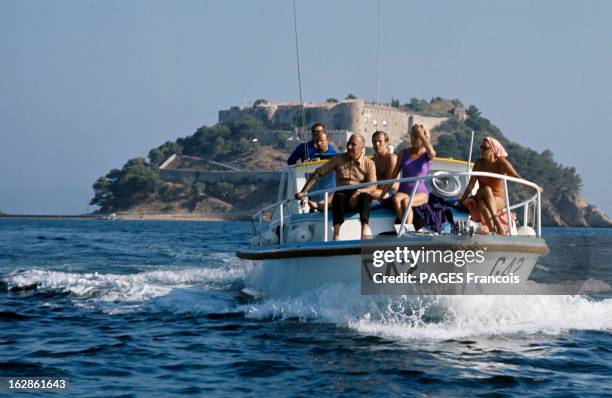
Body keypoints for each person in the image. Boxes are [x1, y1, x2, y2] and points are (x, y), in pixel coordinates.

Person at [295, 134, 376, 240]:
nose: (349, 147)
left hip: (359, 196)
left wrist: (360, 191)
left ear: (361, 147)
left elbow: (373, 186)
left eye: (353, 144)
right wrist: (303, 192)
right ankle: (336, 234)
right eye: (348, 143)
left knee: (366, 196)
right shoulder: (338, 159)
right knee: (338, 196)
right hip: (343, 195)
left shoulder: (369, 164)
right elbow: (318, 173)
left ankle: (364, 233)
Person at [459, 137, 521, 235]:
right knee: (486, 189)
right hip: (481, 194)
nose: (482, 150)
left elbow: (515, 176)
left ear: (493, 150)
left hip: (498, 199)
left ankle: (493, 230)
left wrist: (534, 188)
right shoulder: (478, 164)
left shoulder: (500, 162)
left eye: (485, 148)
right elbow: (471, 185)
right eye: (481, 147)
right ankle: (498, 225)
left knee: (481, 204)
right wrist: (462, 200)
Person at [379, 124, 436, 227]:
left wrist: (421, 135)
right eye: (412, 135)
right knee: (396, 199)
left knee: (406, 202)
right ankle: (406, 227)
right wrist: (382, 195)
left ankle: (407, 229)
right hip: (403, 191)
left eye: (416, 136)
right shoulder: (403, 153)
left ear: (424, 138)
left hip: (420, 193)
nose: (413, 138)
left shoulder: (427, 155)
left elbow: (432, 152)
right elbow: (393, 176)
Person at [368, 130, 398, 202]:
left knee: (365, 193)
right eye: (374, 142)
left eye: (380, 141)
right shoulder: (372, 160)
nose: (377, 144)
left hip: (390, 191)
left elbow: (390, 182)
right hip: (376, 190)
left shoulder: (391, 158)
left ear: (386, 143)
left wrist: (370, 189)